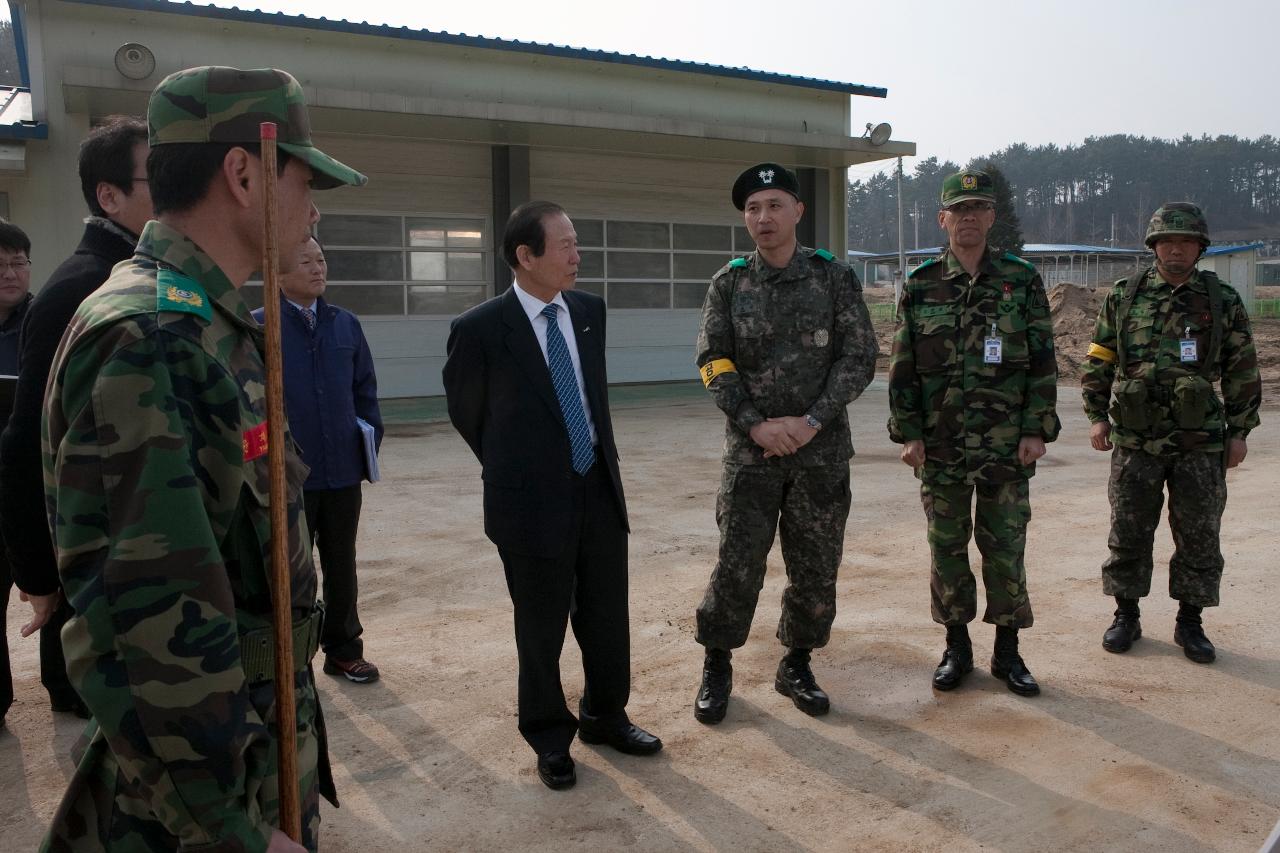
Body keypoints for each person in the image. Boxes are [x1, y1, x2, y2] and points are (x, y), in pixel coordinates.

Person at [40, 66, 366, 852]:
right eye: (301, 176)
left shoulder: (213, 326)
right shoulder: (151, 337)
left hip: (252, 750)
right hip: (194, 810)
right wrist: (231, 829)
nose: (313, 205)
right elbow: (153, 621)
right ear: (244, 172)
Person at [443, 200, 662, 791]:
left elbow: (592, 399)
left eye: (575, 241)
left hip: (598, 489)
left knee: (606, 617)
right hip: (530, 503)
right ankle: (548, 736)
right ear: (526, 256)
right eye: (564, 244)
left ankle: (605, 716)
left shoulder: (589, 311)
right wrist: (523, 468)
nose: (576, 254)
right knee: (539, 630)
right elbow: (468, 415)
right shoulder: (481, 329)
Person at [693, 163, 877, 724]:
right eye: (753, 208)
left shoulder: (834, 278)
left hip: (819, 455)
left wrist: (813, 420)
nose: (763, 217)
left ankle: (796, 663)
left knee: (816, 566)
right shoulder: (729, 283)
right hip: (750, 457)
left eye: (774, 205)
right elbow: (711, 361)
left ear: (798, 211)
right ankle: (717, 663)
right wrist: (754, 423)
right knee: (737, 563)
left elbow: (860, 357)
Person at [0, 116, 152, 726]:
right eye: (156, 178)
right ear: (108, 195)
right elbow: (24, 440)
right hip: (91, 561)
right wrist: (39, 574)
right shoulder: (82, 289)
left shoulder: (144, 276)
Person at [887, 170, 1059, 697]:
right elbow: (903, 367)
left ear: (991, 217)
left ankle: (1008, 652)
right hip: (940, 444)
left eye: (978, 207)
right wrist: (908, 434)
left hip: (1006, 442)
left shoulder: (1021, 279)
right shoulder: (920, 285)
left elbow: (1043, 361)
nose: (967, 217)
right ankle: (956, 647)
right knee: (947, 547)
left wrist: (1037, 429)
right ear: (942, 219)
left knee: (1005, 546)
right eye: (958, 209)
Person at [1081, 202, 1260, 664]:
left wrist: (1239, 431)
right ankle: (1126, 615)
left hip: (1200, 441)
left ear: (1199, 247)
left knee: (1199, 533)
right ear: (1154, 246)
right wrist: (1097, 415)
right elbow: (1100, 358)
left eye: (1184, 241)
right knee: (1129, 530)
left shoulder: (1221, 300)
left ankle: (1191, 622)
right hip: (1136, 440)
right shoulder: (1125, 295)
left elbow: (1242, 368)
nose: (1175, 248)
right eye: (1167, 241)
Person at [252, 236, 383, 683]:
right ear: (277, 274)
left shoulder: (345, 325)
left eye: (322, 259)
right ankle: (290, 657)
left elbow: (365, 390)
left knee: (341, 563)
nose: (317, 268)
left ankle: (344, 650)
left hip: (342, 471)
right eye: (304, 260)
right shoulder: (258, 327)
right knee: (289, 571)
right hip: (288, 476)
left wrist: (367, 444)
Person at [0, 219, 34, 728]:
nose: (9, 273)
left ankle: (68, 688)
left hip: (34, 479)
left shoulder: (45, 318)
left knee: (55, 590)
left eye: (17, 262)